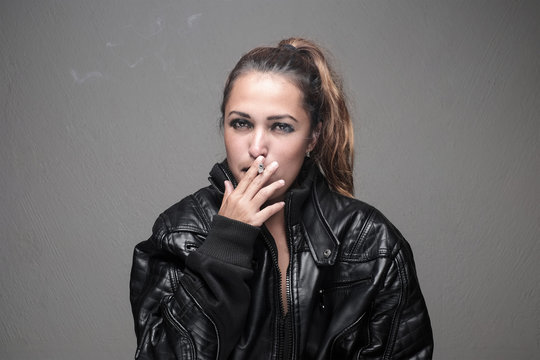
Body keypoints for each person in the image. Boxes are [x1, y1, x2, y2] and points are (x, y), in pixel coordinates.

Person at [130, 37, 433, 359]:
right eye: (241, 123)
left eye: (281, 127)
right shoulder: (179, 232)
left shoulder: (371, 242)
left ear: (313, 136)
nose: (257, 147)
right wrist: (224, 247)